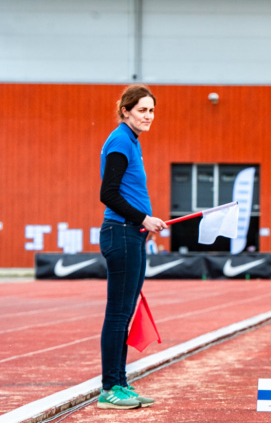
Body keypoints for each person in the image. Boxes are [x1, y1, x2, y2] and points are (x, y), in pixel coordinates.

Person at [97, 84, 166, 409]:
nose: (148, 116)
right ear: (126, 111)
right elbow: (108, 193)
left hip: (132, 233)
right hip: (121, 233)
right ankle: (109, 387)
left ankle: (121, 383)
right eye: (142, 110)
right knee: (118, 314)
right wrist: (144, 217)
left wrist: (145, 222)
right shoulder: (121, 140)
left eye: (151, 110)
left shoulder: (132, 142)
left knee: (124, 315)